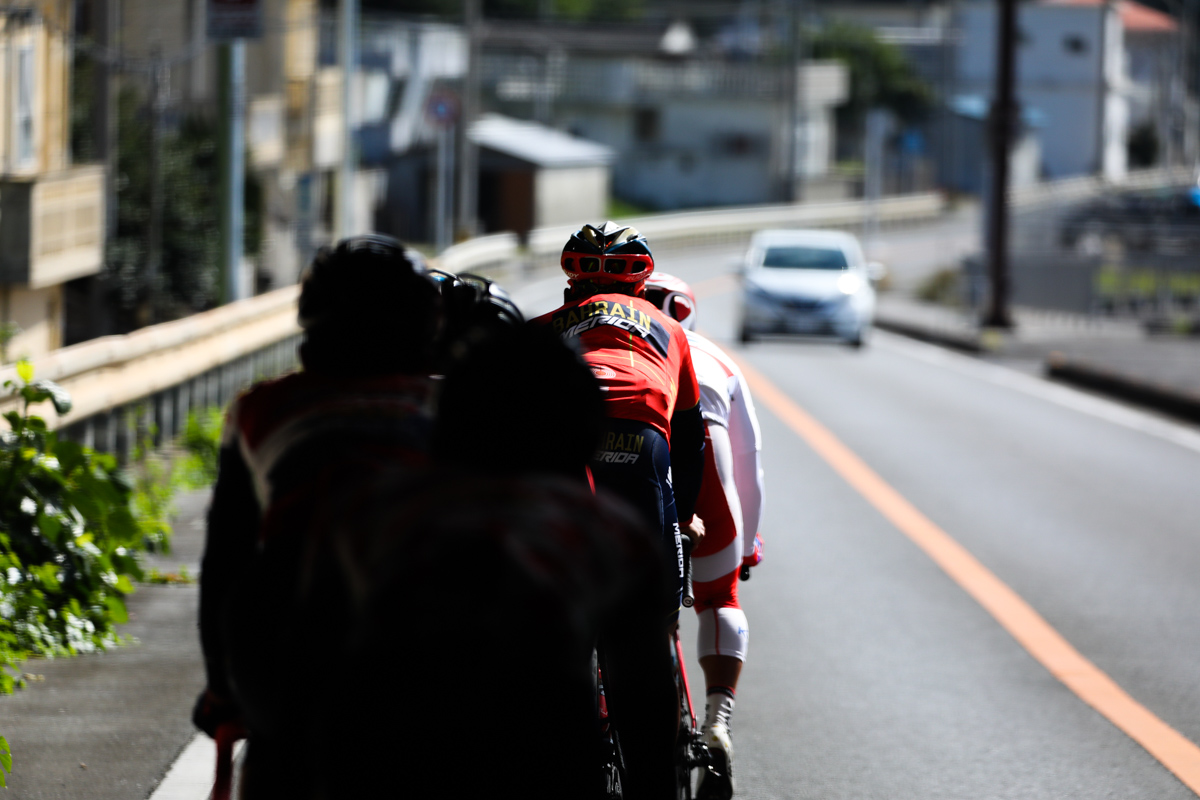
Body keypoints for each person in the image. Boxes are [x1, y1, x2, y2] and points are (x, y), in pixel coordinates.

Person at [192, 234, 446, 797]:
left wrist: (221, 691)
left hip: (286, 648)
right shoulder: (458, 408)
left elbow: (226, 564)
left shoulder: (260, 409)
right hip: (435, 643)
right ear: (425, 324)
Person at [531, 222, 706, 799]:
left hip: (564, 433)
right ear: (642, 284)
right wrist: (681, 514)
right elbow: (689, 434)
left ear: (569, 282)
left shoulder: (543, 329)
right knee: (646, 616)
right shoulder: (671, 330)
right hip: (642, 437)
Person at [645, 272, 766, 800]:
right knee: (720, 597)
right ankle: (717, 718)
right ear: (683, 307)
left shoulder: (584, 335)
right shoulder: (711, 354)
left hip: (619, 469)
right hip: (707, 478)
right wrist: (747, 545)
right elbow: (748, 462)